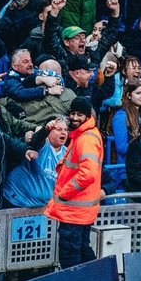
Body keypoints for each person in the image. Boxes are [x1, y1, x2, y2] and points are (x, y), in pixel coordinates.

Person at [45, 98, 105, 269]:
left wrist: (64, 193)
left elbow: (87, 174)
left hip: (74, 210)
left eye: (79, 114)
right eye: (72, 113)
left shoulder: (85, 139)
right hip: (80, 211)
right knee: (83, 251)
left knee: (70, 257)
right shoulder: (85, 135)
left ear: (87, 116)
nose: (75, 117)